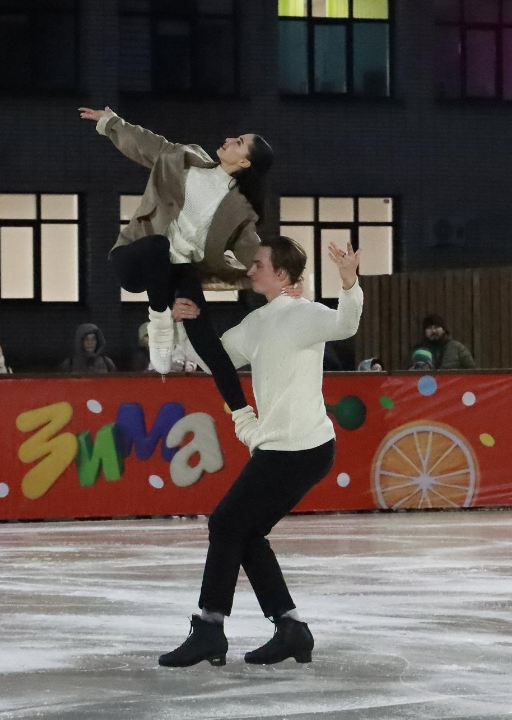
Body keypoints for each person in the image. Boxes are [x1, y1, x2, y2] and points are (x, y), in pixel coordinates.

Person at [160, 237, 363, 668]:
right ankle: (290, 628)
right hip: (281, 450)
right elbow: (212, 359)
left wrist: (349, 282)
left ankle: (210, 629)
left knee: (225, 522)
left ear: (283, 274)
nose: (250, 270)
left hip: (301, 449)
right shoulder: (257, 322)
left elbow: (347, 325)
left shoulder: (304, 315)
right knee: (244, 533)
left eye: (259, 264)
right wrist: (183, 321)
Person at [78, 107, 295, 416]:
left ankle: (244, 416)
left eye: (238, 142)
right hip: (134, 257)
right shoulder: (183, 158)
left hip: (177, 273)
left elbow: (255, 256)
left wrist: (287, 283)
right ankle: (161, 323)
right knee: (157, 245)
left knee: (208, 341)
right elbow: (144, 143)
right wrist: (110, 122)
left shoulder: (240, 212)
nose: (229, 140)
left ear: (245, 162)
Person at [409, 314, 475, 370]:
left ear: (444, 330)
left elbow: (472, 373)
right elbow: (405, 376)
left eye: (437, 327)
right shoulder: (416, 351)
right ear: (424, 332)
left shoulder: (458, 348)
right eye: (429, 328)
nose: (434, 331)